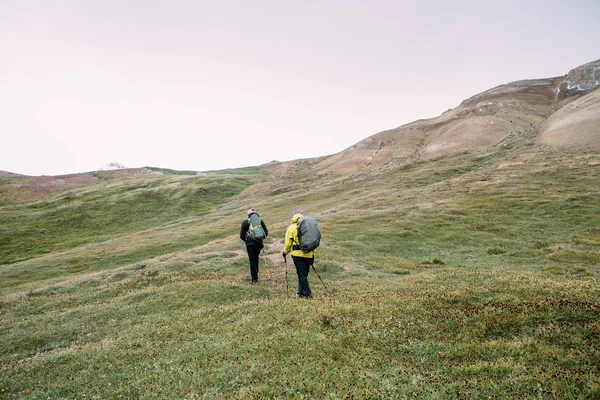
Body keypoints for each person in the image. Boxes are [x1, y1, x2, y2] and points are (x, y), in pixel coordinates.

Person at [282, 209, 314, 298]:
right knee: (304, 274)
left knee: (301, 274)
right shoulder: (308, 226)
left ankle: (307, 293)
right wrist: (313, 253)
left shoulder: (291, 227)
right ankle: (300, 292)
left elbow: (288, 243)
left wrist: (285, 252)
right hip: (309, 253)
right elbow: (313, 240)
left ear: (294, 216)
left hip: (297, 255)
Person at [240, 208, 268, 284]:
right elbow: (266, 232)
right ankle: (256, 274)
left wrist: (247, 241)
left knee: (252, 260)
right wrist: (260, 239)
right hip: (258, 244)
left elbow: (241, 235)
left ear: (248, 214)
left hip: (250, 245)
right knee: (256, 258)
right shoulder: (260, 221)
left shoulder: (245, 222)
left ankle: (254, 279)